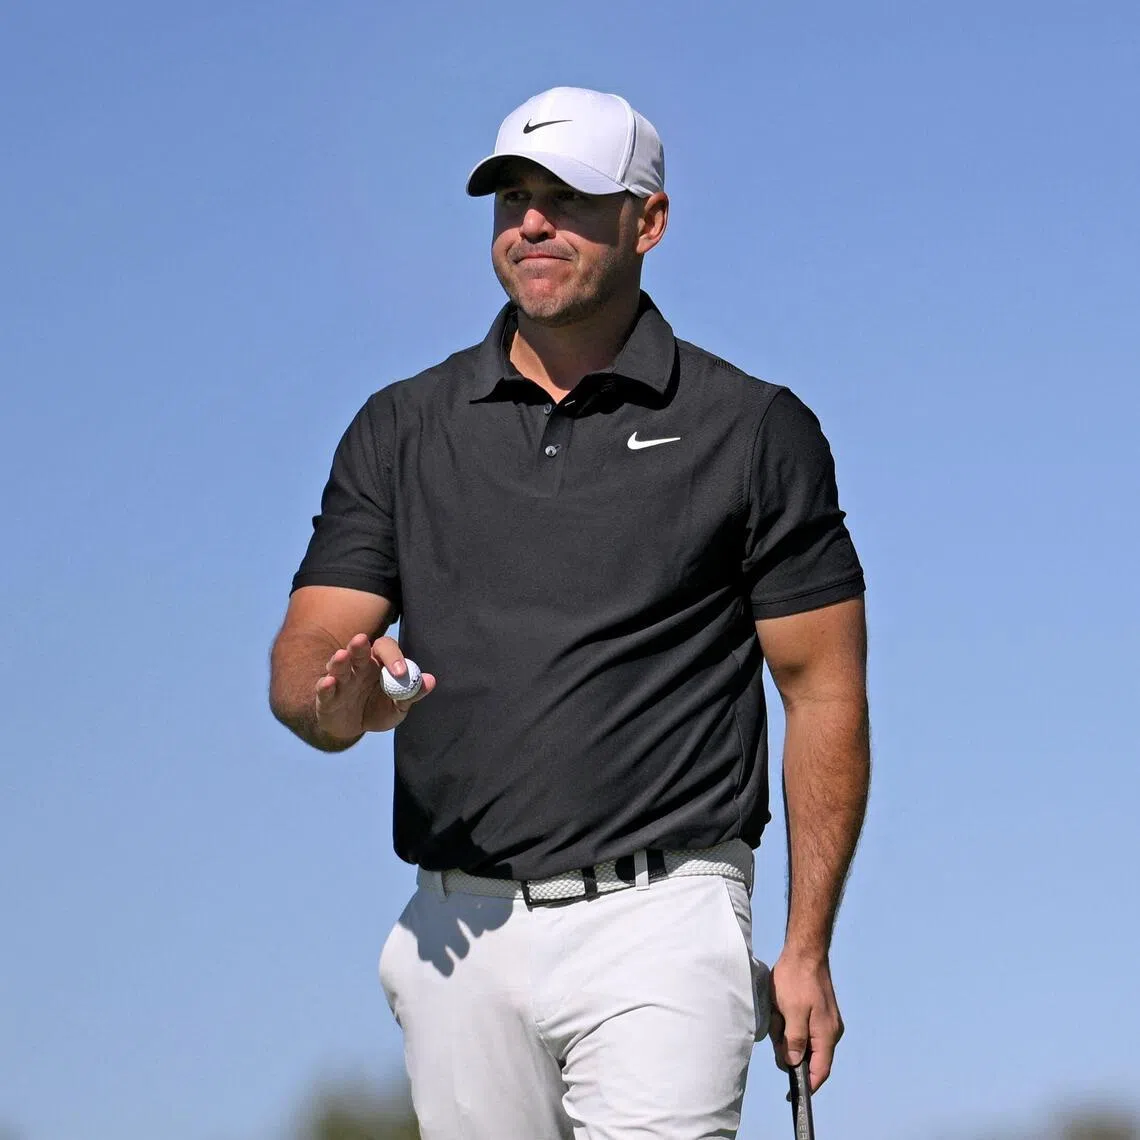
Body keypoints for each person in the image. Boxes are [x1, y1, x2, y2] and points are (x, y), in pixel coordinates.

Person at [269, 86, 870, 1140]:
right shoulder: (401, 428)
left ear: (650, 221)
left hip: (664, 919)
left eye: (570, 198)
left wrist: (807, 944)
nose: (532, 223)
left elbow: (823, 691)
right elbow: (307, 663)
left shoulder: (753, 429)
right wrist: (344, 702)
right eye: (512, 198)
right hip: (459, 929)